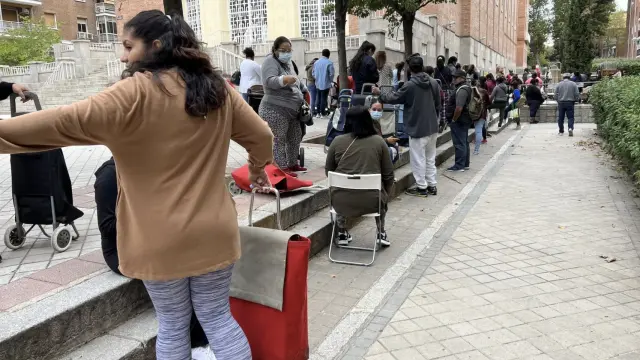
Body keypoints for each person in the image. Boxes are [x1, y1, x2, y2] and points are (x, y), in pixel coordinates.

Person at [0, 11, 275, 360]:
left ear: (155, 45)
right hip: (214, 231)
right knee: (218, 318)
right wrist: (256, 171)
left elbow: (59, 123)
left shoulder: (131, 95)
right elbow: (262, 136)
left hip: (156, 239)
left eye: (128, 46)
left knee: (173, 324)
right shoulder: (217, 89)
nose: (122, 55)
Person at [94, 158, 214, 360]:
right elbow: (107, 227)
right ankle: (198, 344)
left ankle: (201, 342)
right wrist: (145, 218)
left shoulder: (146, 167)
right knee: (174, 272)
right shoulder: (108, 177)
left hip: (152, 240)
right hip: (120, 249)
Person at [325, 106, 394, 246]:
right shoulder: (379, 142)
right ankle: (381, 232)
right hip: (372, 202)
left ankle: (342, 232)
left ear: (347, 122)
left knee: (340, 188)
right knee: (381, 194)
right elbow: (388, 175)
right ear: (368, 121)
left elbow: (328, 171)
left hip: (341, 202)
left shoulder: (337, 141)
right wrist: (385, 194)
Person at [373, 56, 441, 197]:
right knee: (430, 157)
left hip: (417, 127)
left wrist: (380, 93)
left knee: (418, 159)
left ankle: (422, 188)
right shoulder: (433, 82)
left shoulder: (410, 85)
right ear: (422, 66)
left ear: (410, 69)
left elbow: (393, 98)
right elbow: (438, 103)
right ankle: (432, 185)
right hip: (432, 126)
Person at [260, 36, 308, 176]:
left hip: (292, 111)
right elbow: (269, 81)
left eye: (289, 50)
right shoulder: (270, 61)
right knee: (278, 139)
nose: (286, 53)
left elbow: (296, 80)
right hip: (275, 109)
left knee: (295, 136)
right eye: (283, 50)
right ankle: (281, 168)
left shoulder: (287, 64)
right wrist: (283, 80)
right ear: (275, 50)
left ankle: (292, 163)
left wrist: (303, 87)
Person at [446, 70, 472, 172]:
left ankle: (459, 165)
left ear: (462, 78)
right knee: (464, 142)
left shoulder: (462, 90)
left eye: (455, 78)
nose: (453, 79)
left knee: (459, 143)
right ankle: (464, 164)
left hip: (460, 120)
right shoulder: (465, 88)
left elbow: (459, 108)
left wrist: (453, 119)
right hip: (464, 119)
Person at [369, 99, 400, 164]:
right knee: (390, 151)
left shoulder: (376, 123)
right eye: (374, 109)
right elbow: (371, 142)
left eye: (379, 110)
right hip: (370, 150)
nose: (376, 112)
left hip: (377, 147)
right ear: (369, 110)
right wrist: (387, 141)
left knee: (395, 147)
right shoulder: (366, 122)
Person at [313, 49, 335, 117]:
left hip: (318, 83)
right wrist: (330, 81)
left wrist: (317, 79)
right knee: (323, 98)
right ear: (329, 55)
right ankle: (323, 113)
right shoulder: (329, 63)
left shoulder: (316, 62)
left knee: (318, 97)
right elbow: (331, 74)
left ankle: (317, 113)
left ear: (322, 54)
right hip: (326, 83)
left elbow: (313, 73)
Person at [473, 77, 491, 155]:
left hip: (472, 113)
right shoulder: (484, 92)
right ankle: (476, 150)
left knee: (477, 130)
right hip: (482, 113)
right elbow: (489, 103)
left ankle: (476, 147)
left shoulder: (470, 92)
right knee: (478, 130)